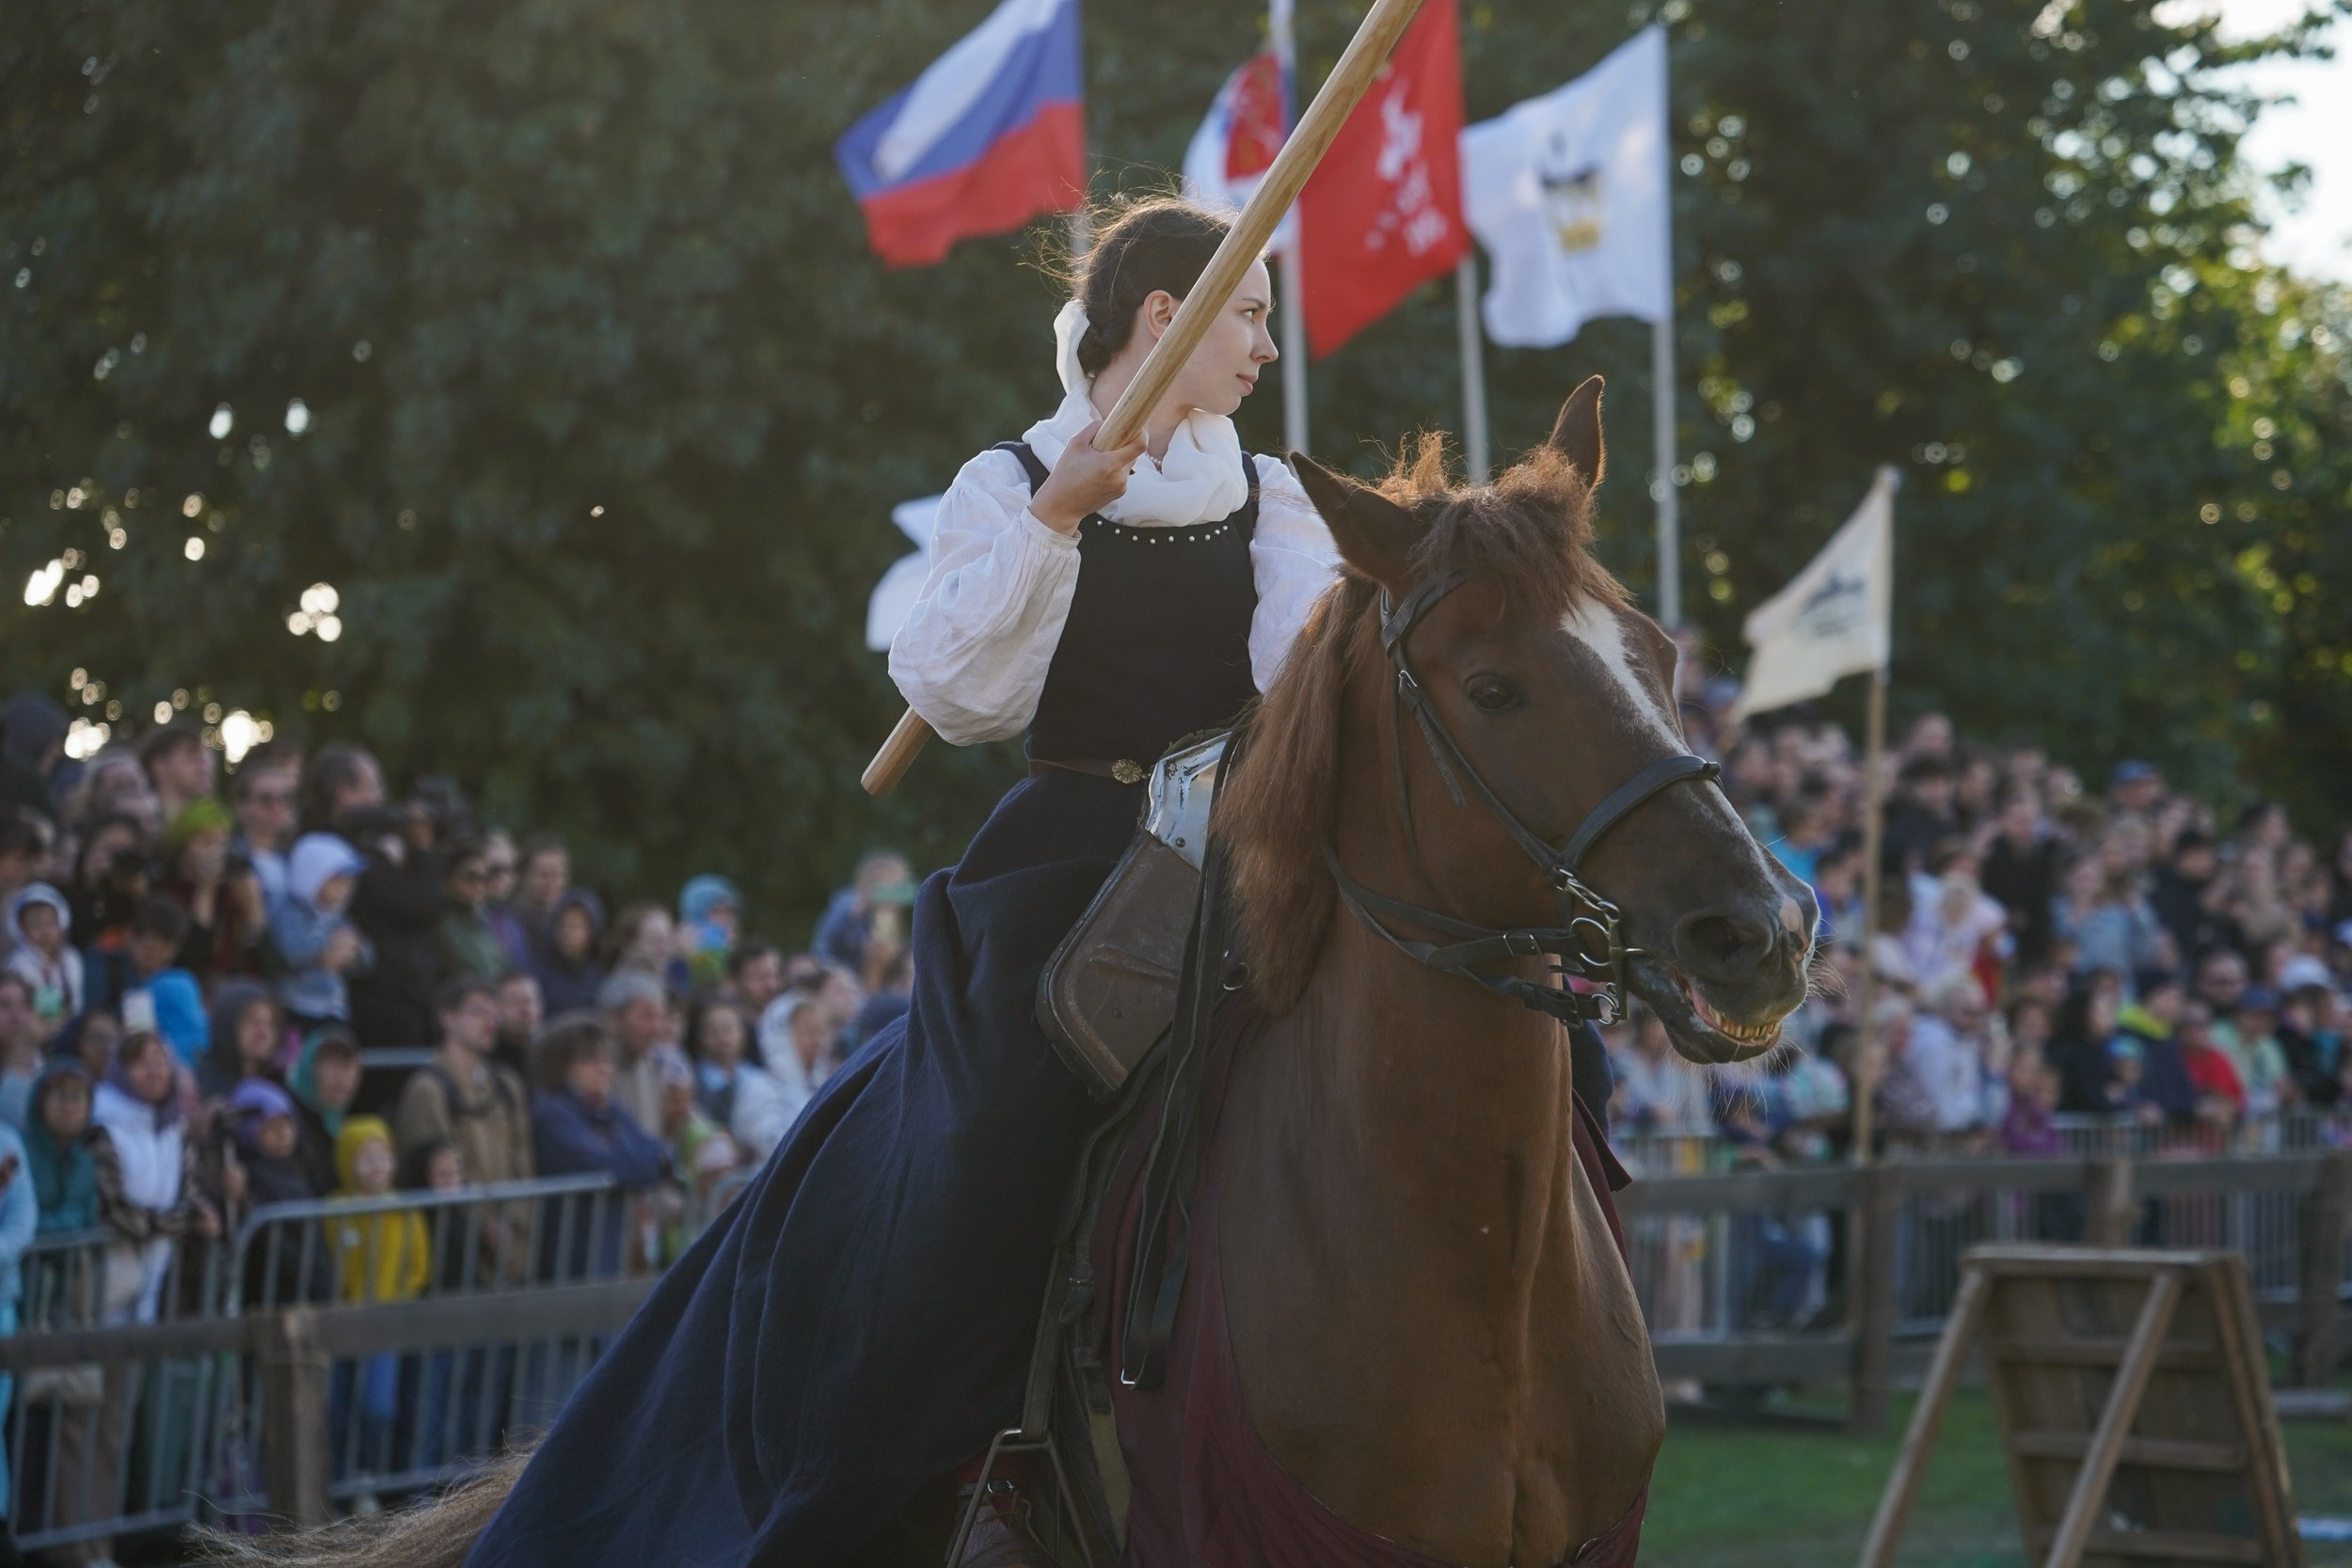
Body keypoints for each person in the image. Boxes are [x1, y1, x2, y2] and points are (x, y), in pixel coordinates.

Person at [469, 195, 1340, 1567]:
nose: (1268, 348)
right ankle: (989, 1456)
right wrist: (1056, 519)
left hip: (1237, 845)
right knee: (990, 1124)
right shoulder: (1010, 479)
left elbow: (1305, 680)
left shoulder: (1274, 494)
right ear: (1166, 315)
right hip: (1071, 855)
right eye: (1249, 316)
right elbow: (957, 690)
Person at [527, 1015, 670, 1280]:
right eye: (590, 1060)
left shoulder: (609, 1108)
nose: (603, 1068)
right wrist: (646, 1163)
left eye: (606, 1059)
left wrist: (649, 1160)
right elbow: (601, 1165)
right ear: (561, 1066)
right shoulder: (553, 1113)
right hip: (569, 1254)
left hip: (608, 1247)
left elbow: (657, 1150)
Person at [90, 1030, 217, 1323]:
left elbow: (188, 1188)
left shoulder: (175, 1129)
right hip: (111, 1267)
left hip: (160, 1267)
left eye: (160, 1061)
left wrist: (197, 1213)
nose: (154, 1071)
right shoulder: (102, 1125)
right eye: (140, 1062)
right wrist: (178, 1222)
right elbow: (111, 1204)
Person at [392, 978, 535, 1190]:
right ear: (448, 1018)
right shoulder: (427, 1089)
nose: (490, 1022)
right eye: (479, 1012)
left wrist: (518, 1210)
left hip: (510, 1210)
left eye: (494, 1013)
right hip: (458, 1211)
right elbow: (434, 1173)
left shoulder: (507, 1083)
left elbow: (523, 1163)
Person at [269, 832, 375, 1033]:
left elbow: (366, 960)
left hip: (334, 1009)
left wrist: (354, 951)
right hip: (297, 1009)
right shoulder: (291, 912)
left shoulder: (339, 916)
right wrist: (328, 948)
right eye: (337, 881)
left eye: (349, 883)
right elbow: (291, 951)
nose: (345, 889)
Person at [687, 995, 790, 1163]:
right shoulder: (693, 1080)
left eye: (728, 1029)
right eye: (712, 1031)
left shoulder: (758, 1078)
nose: (721, 1037)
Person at [115, 896, 209, 1066]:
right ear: (131, 938)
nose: (154, 953)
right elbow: (136, 1039)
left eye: (165, 947)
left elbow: (197, 1032)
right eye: (147, 946)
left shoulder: (182, 983)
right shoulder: (109, 966)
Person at [598, 970, 682, 1136]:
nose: (656, 1028)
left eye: (660, 1017)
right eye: (647, 1016)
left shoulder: (652, 1066)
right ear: (614, 1019)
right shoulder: (594, 1072)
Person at [288, 1025, 363, 1197]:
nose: (341, 1077)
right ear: (310, 1068)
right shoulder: (289, 1120)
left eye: (348, 1066)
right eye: (331, 1066)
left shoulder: (348, 1120)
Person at [229, 742, 303, 910]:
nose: (277, 807)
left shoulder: (297, 859)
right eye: (265, 799)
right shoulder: (228, 863)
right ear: (241, 806)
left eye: (285, 798)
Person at [6, 882, 84, 1036]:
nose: (44, 931)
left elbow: (77, 1004)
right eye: (36, 925)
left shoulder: (72, 959)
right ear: (22, 929)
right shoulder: (17, 964)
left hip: (69, 1031)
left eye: (49, 923)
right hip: (32, 1032)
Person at [197, 979, 285, 1101]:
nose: (263, 1033)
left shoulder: (276, 1088)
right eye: (253, 1021)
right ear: (227, 1023)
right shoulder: (196, 1088)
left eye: (270, 1023)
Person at [528, 889, 606, 1017]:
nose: (567, 932)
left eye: (576, 926)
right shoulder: (536, 972)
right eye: (563, 924)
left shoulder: (598, 976)